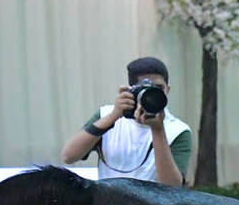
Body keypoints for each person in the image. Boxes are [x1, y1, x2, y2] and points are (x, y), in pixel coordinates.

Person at [60, 56, 191, 186]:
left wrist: (158, 130)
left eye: (158, 88)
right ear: (131, 90)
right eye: (145, 89)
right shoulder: (107, 115)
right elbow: (69, 156)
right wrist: (113, 116)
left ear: (168, 90)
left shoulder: (178, 130)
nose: (152, 94)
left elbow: (172, 186)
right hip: (110, 203)